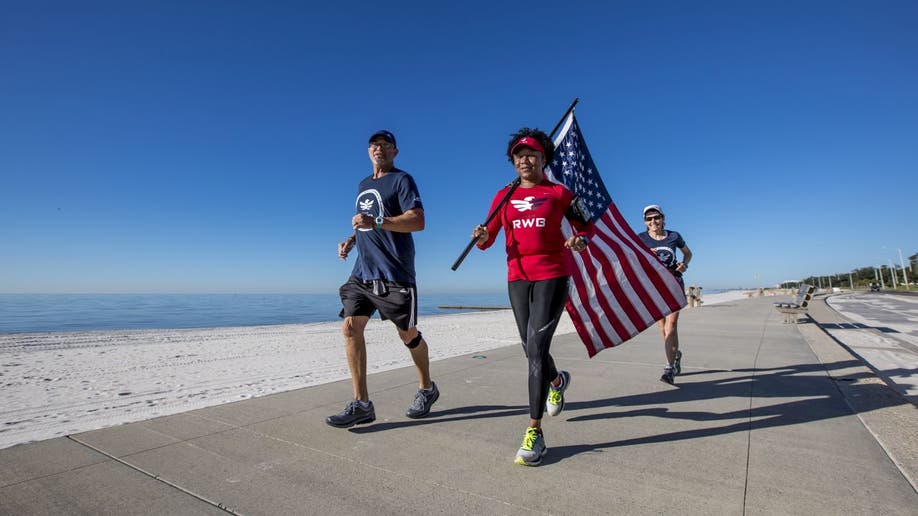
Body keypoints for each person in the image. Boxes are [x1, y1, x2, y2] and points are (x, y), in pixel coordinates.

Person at [471, 128, 592, 466]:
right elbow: (488, 240)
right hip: (517, 278)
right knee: (530, 347)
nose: (525, 160)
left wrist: (579, 240)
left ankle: (534, 432)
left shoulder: (559, 192)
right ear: (513, 162)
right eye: (518, 156)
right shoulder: (503, 196)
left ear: (543, 159)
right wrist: (481, 236)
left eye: (532, 154)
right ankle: (557, 380)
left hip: (553, 274)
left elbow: (585, 226)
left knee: (536, 348)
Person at [327, 129, 439, 428]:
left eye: (386, 146)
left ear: (395, 152)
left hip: (394, 272)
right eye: (375, 145)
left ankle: (427, 388)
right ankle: (362, 404)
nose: (380, 149)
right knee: (350, 328)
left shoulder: (402, 180)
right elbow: (368, 219)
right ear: (368, 151)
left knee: (408, 334)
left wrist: (375, 222)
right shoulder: (363, 185)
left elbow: (418, 221)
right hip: (362, 272)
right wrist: (352, 239)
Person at [638, 204, 693, 385]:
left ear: (663, 218)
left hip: (674, 284)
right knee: (662, 328)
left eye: (656, 217)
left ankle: (669, 369)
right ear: (645, 222)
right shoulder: (641, 239)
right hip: (654, 288)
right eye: (649, 218)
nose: (653, 221)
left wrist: (684, 264)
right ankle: (676, 356)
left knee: (672, 325)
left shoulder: (674, 236)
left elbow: (688, 254)